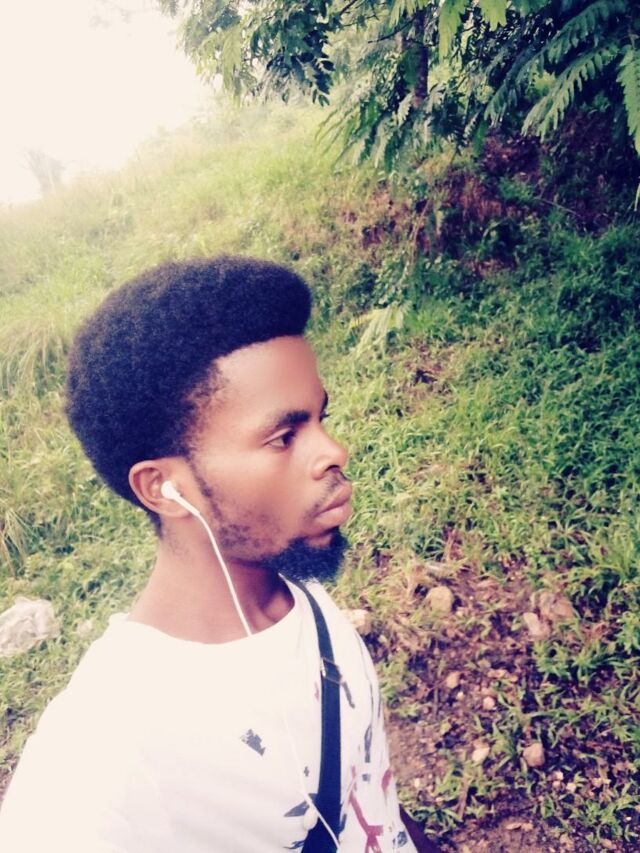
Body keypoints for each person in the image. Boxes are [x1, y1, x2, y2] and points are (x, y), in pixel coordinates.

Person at [0, 257, 440, 852]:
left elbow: (367, 796)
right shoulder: (105, 754)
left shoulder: (301, 601)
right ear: (163, 489)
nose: (333, 451)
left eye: (322, 419)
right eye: (283, 437)